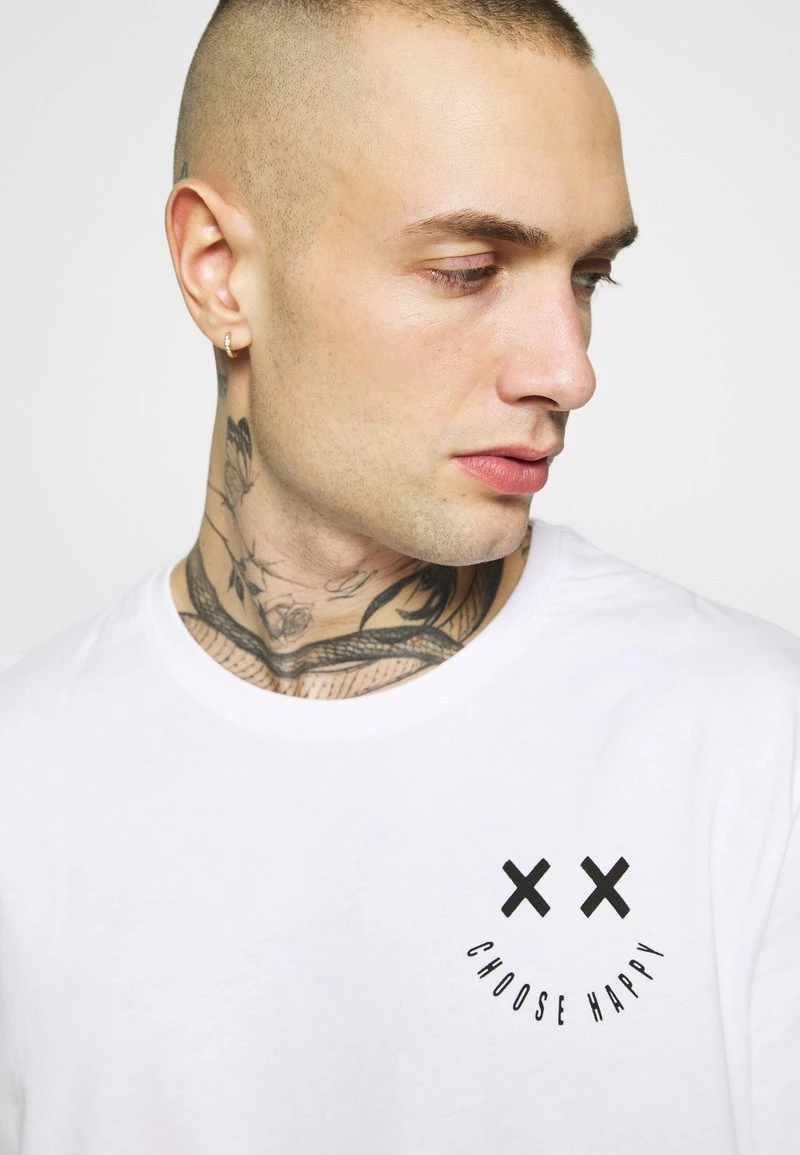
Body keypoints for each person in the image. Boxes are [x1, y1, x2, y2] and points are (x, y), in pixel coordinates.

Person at [0, 0, 797, 1151]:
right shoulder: (25, 782)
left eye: (588, 276)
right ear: (219, 271)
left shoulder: (753, 747)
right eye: (468, 270)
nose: (567, 370)